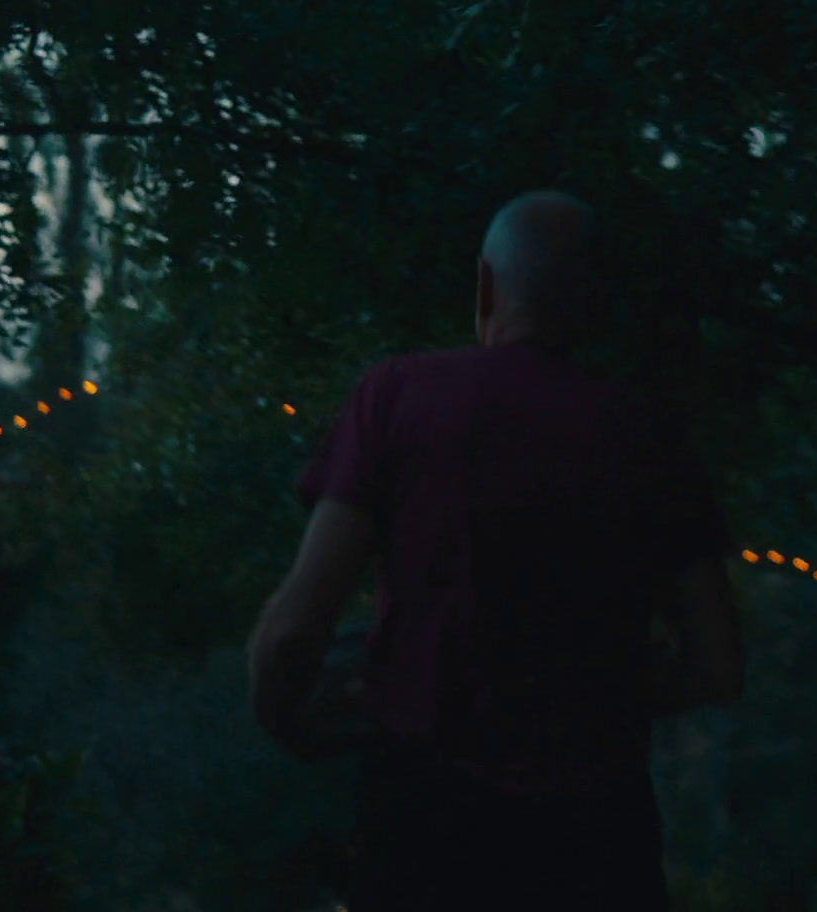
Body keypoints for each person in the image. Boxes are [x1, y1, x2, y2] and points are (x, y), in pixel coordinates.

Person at [248, 190, 746, 910]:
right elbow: (719, 667)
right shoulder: (649, 433)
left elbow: (294, 632)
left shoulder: (398, 397)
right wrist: (600, 701)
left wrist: (287, 718)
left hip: (428, 831)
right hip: (598, 844)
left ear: (486, 284)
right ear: (592, 301)